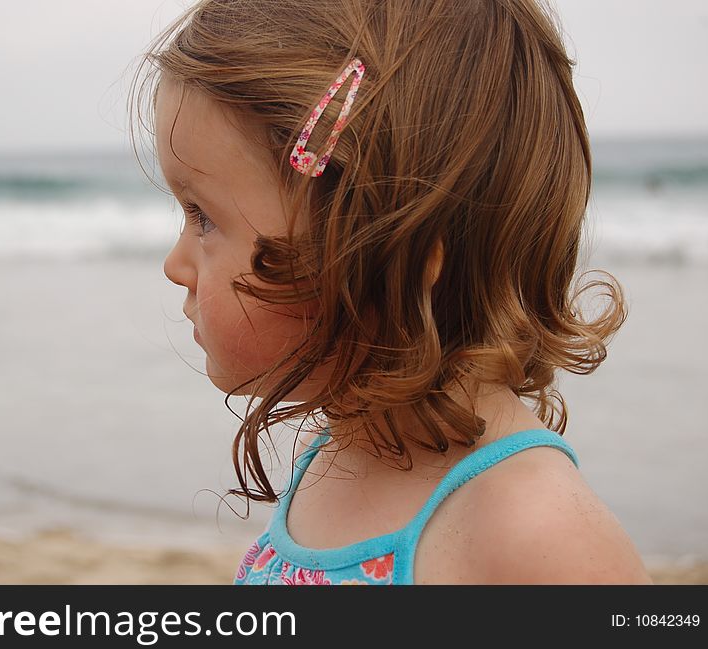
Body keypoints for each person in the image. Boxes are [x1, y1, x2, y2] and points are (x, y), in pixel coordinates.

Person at [131, 0, 653, 584]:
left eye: (203, 217)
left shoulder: (535, 532)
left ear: (380, 245)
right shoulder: (336, 451)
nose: (176, 265)